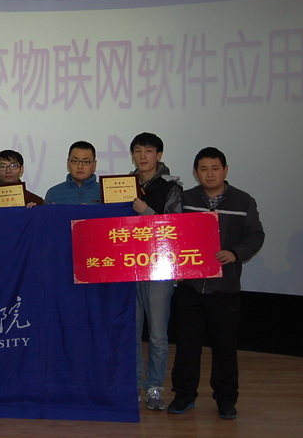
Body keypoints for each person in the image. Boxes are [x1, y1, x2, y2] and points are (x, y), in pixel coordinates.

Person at [168, 147, 264, 420]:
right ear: (195, 173)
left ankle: (225, 399)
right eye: (203, 169)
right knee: (187, 346)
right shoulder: (185, 199)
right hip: (190, 286)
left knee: (225, 347)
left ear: (225, 170)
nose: (209, 174)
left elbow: (256, 235)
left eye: (215, 168)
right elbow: (170, 233)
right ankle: (184, 394)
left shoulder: (243, 201)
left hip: (225, 288)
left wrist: (235, 253)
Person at [128, 132, 182, 411]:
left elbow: (176, 226)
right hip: (129, 267)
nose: (143, 156)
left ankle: (154, 387)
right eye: (137, 151)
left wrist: (147, 211)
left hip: (160, 268)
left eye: (148, 151)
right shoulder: (123, 184)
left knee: (158, 335)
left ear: (159, 155)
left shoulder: (171, 187)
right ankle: (134, 386)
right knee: (132, 332)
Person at [44, 141, 100, 205]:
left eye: (86, 162)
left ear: (94, 165)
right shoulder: (53, 193)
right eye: (75, 161)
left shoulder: (104, 193)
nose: (80, 166)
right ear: (68, 163)